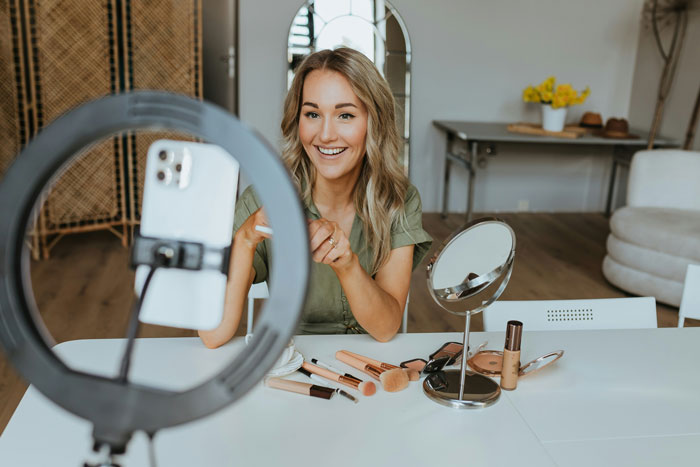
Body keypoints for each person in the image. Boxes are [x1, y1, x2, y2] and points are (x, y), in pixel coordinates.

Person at [199, 48, 431, 348]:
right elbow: (213, 335)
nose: (325, 135)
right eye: (312, 114)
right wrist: (245, 238)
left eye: (345, 115)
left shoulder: (398, 200)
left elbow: (386, 328)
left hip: (371, 364)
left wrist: (347, 264)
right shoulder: (262, 200)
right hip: (295, 361)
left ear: (374, 121)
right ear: (298, 120)